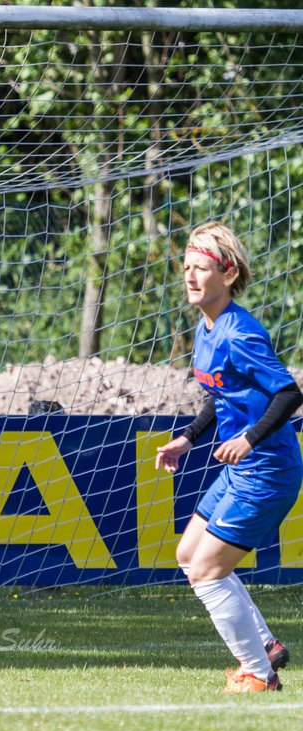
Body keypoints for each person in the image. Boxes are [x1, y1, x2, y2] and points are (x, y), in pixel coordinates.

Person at [155, 222, 301, 693]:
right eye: (186, 269)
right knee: (186, 555)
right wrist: (188, 438)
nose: (190, 278)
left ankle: (258, 675)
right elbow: (219, 397)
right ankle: (267, 646)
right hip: (242, 470)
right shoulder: (205, 327)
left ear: (228, 272)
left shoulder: (240, 333)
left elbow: (288, 393)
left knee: (206, 571)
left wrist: (250, 439)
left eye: (200, 268)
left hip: (267, 472)